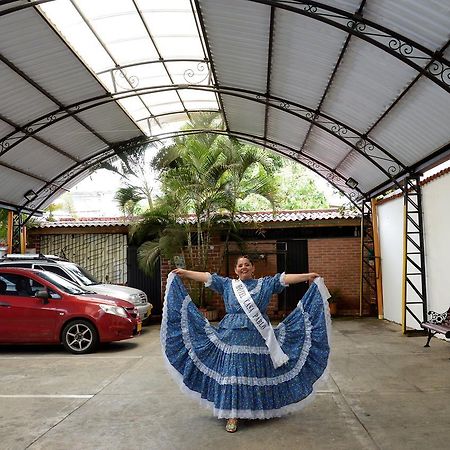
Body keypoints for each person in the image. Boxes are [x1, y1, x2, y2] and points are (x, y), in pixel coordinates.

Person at [161, 255, 331, 433]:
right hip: (231, 336)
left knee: (255, 372)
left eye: (247, 265)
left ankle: (255, 409)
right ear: (236, 270)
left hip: (259, 337)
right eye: (240, 265)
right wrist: (184, 273)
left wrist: (307, 276)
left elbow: (284, 278)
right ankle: (232, 414)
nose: (244, 267)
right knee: (233, 374)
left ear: (252, 268)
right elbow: (207, 277)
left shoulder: (265, 284)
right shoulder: (228, 285)